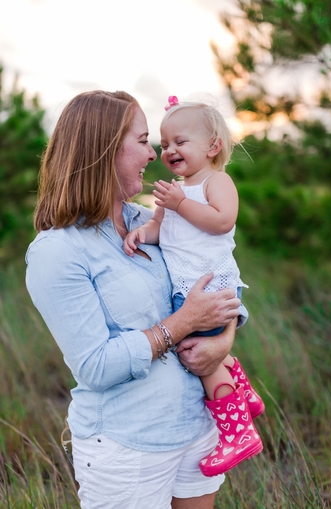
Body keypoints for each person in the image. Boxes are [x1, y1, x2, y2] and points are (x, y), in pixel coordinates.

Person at [25, 90, 245, 509]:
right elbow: (96, 365)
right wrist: (181, 324)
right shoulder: (57, 252)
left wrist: (223, 341)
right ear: (104, 149)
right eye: (144, 141)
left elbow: (222, 283)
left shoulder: (152, 222)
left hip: (196, 428)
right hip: (129, 447)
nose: (154, 154)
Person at [123, 97, 264, 477]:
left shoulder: (217, 182)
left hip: (211, 287)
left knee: (200, 359)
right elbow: (161, 228)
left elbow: (221, 222)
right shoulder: (175, 191)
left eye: (180, 142)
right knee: (203, 350)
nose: (168, 151)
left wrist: (181, 203)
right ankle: (241, 388)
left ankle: (238, 434)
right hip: (188, 290)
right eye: (164, 144)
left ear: (213, 146)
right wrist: (143, 233)